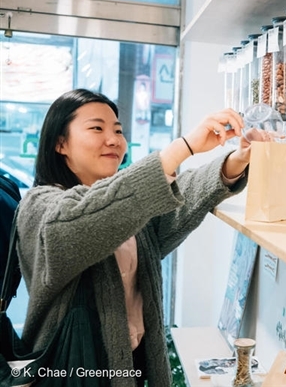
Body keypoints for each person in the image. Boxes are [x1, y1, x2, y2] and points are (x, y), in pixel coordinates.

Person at [16, 88, 251, 386]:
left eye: (118, 130)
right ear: (60, 143)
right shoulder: (39, 205)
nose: (114, 139)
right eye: (96, 128)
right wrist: (184, 147)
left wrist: (236, 161)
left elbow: (179, 199)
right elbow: (81, 223)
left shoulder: (128, 206)